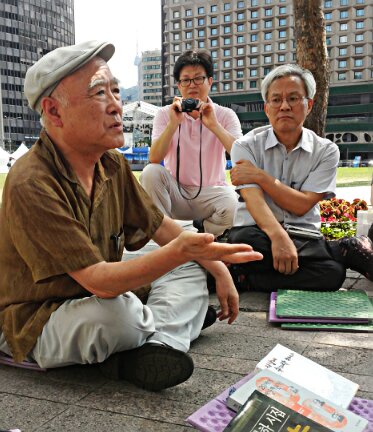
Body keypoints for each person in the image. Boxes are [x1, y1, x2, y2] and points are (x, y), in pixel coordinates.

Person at [0, 41, 262, 392]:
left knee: (185, 264)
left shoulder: (111, 163)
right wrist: (183, 252)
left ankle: (157, 346)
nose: (115, 105)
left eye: (116, 91)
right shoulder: (32, 181)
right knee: (118, 315)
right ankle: (169, 330)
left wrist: (215, 267)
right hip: (40, 315)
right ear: (54, 111)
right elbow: (100, 282)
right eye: (98, 93)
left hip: (98, 289)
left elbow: (163, 228)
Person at [226, 64, 373, 292]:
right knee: (245, 241)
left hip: (303, 235)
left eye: (293, 98)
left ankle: (244, 278)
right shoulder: (245, 146)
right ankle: (337, 250)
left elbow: (302, 205)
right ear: (266, 108)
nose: (284, 106)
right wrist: (277, 236)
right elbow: (253, 201)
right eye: (276, 100)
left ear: (309, 105)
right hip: (259, 233)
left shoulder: (326, 150)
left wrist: (261, 176)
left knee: (333, 275)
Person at [140, 49, 242, 237]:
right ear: (179, 85)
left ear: (209, 81)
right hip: (176, 193)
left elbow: (240, 155)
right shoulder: (165, 114)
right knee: (150, 173)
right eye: (185, 80)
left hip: (212, 193)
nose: (192, 85)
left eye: (198, 79)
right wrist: (173, 124)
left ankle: (208, 234)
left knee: (233, 203)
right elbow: (154, 158)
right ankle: (167, 237)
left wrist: (214, 125)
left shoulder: (225, 115)